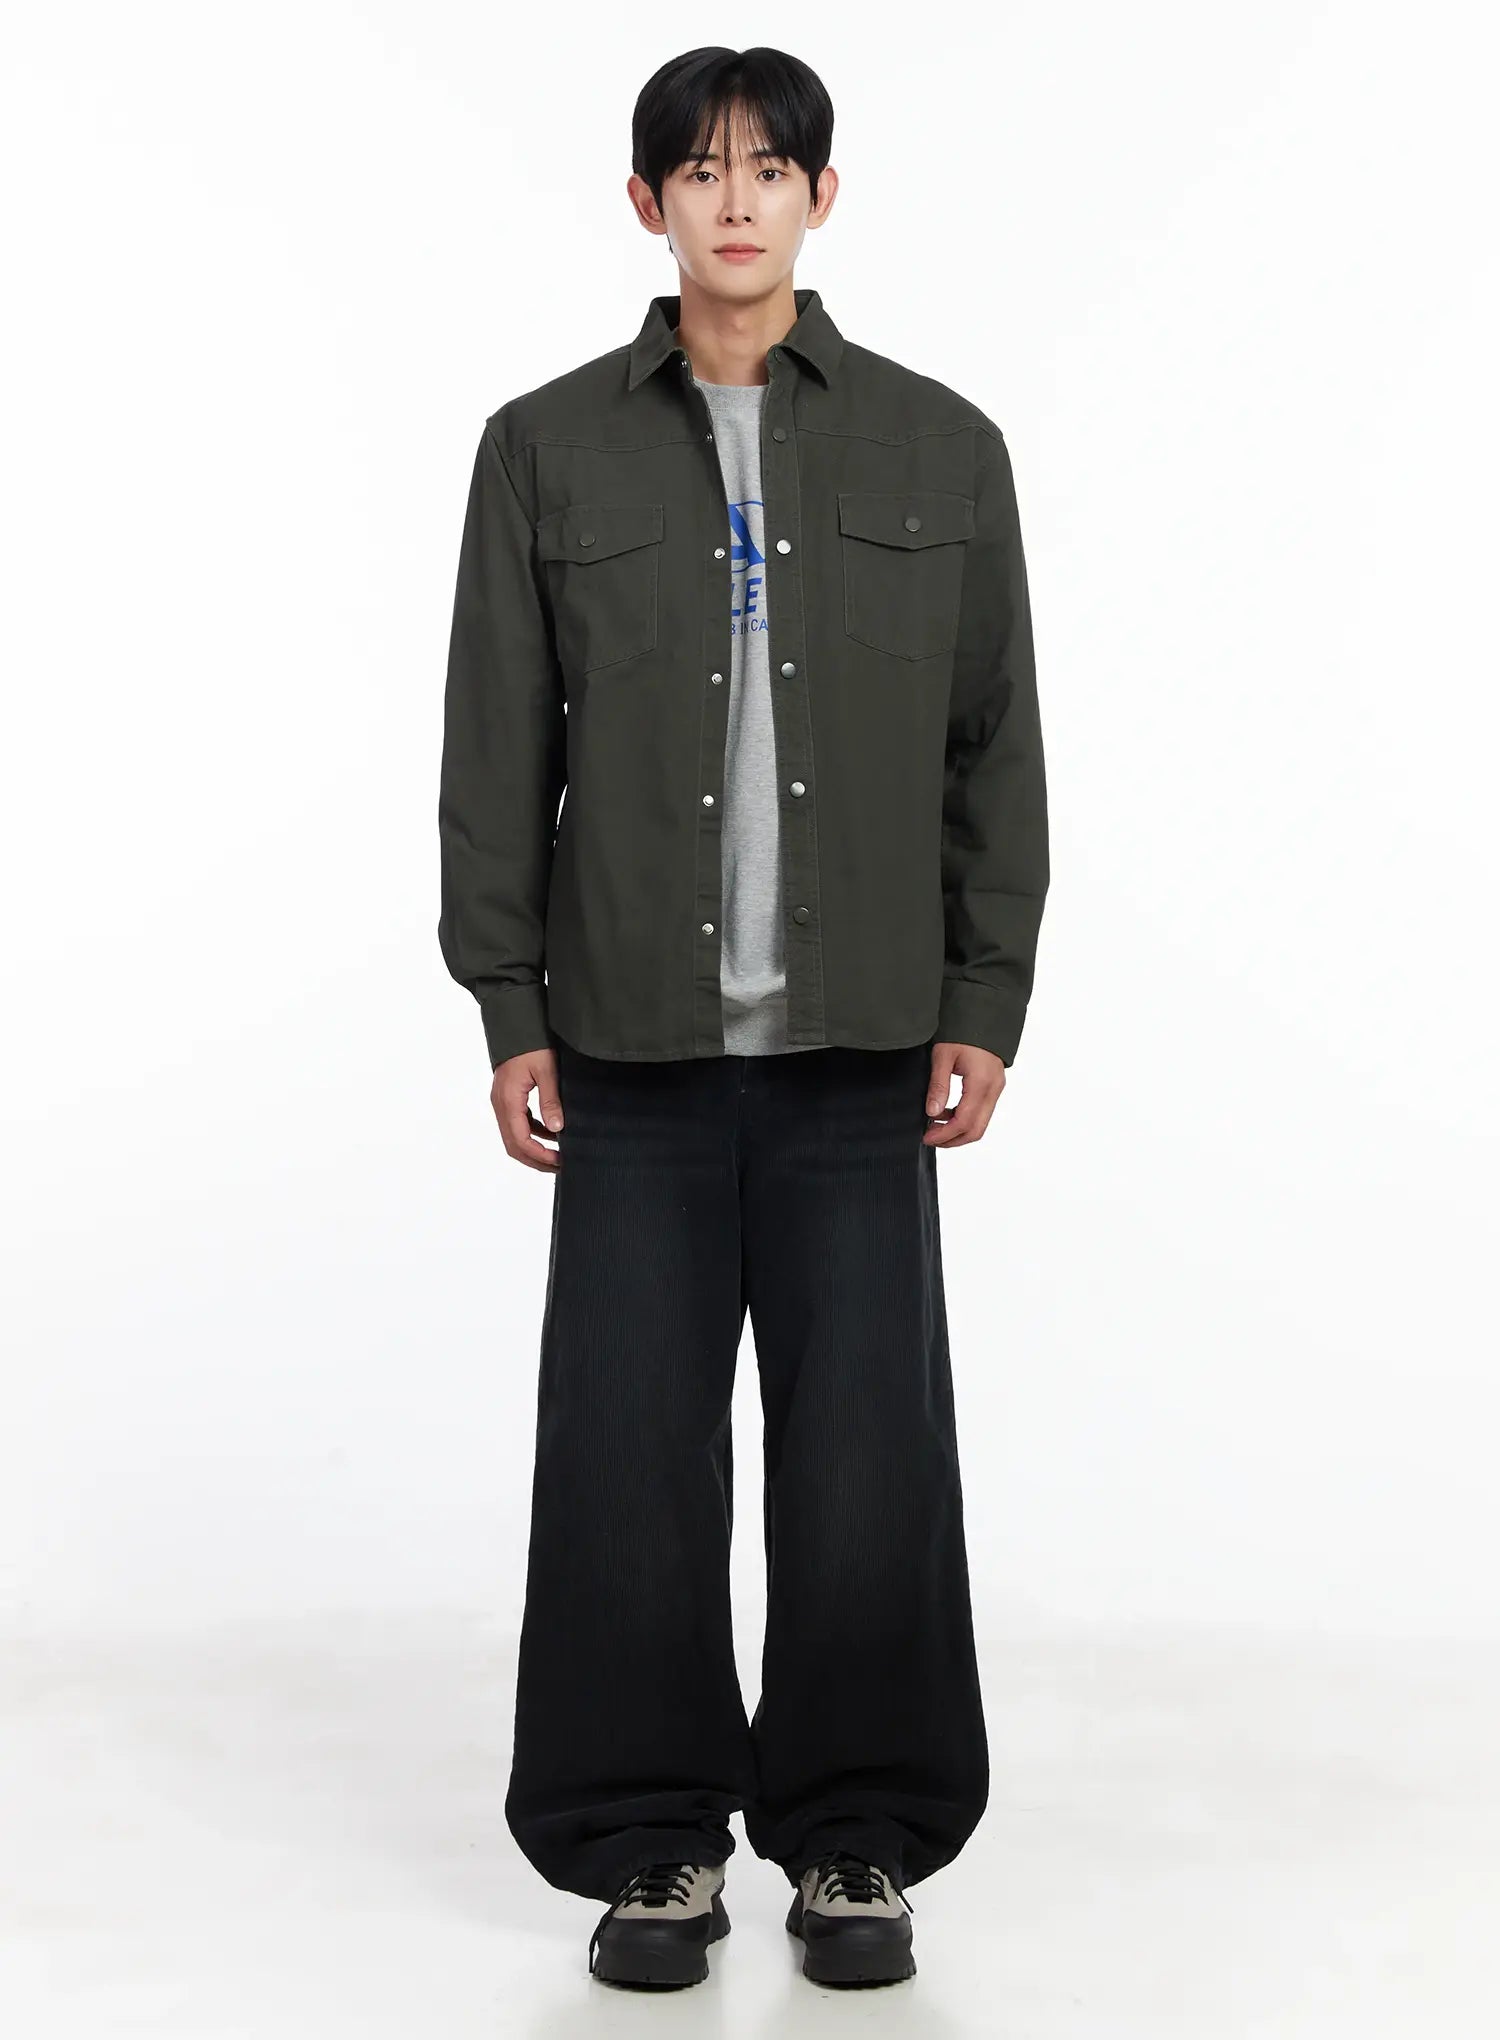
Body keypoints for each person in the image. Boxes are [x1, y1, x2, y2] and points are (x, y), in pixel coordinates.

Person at [437, 43, 1048, 1991]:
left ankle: (859, 1840)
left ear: (819, 198)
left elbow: (996, 747)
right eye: (697, 171)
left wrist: (986, 993)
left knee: (867, 1464)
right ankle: (648, 1849)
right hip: (628, 1047)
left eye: (768, 168)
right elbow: (493, 753)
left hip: (864, 1051)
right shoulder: (545, 451)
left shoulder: (941, 447)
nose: (733, 200)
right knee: (628, 1460)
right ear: (646, 205)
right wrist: (509, 1005)